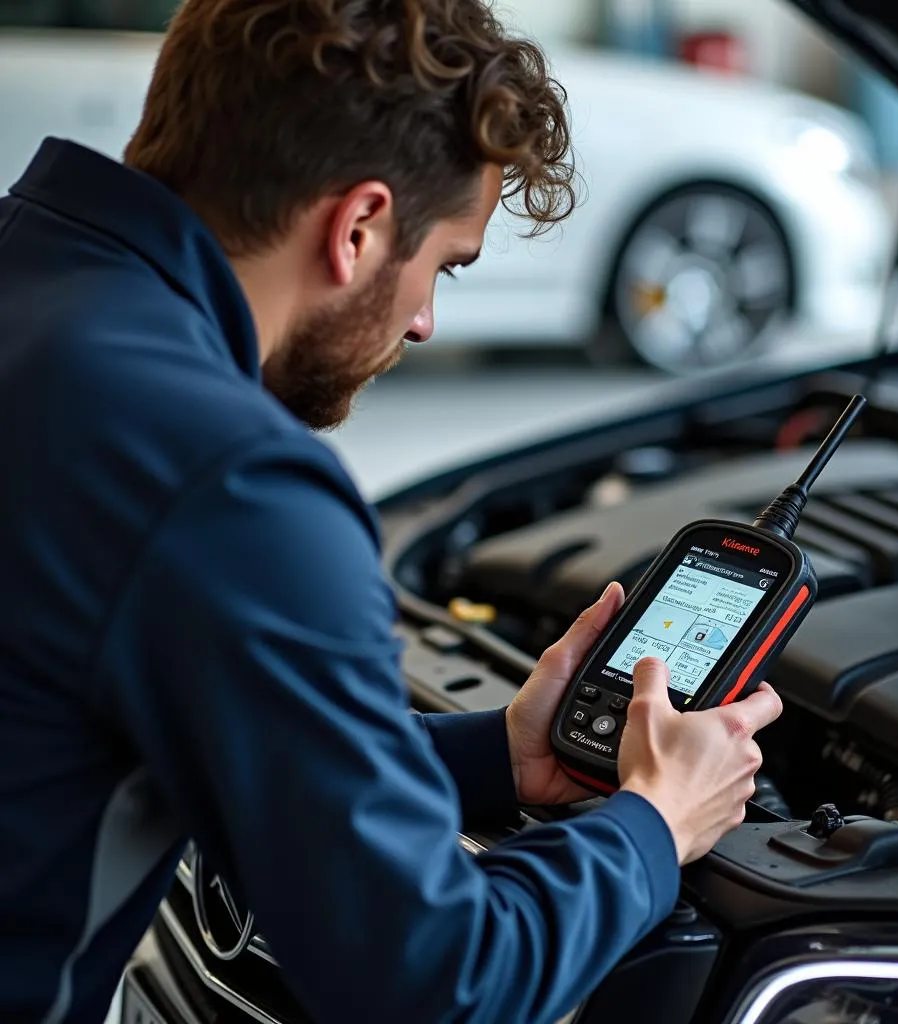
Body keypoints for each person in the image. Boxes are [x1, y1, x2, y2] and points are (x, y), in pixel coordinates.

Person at [0, 1, 783, 1021]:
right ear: (360, 225)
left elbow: (189, 720)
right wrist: (652, 822)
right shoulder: (228, 481)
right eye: (443, 266)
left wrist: (496, 755)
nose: (421, 321)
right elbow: (439, 985)